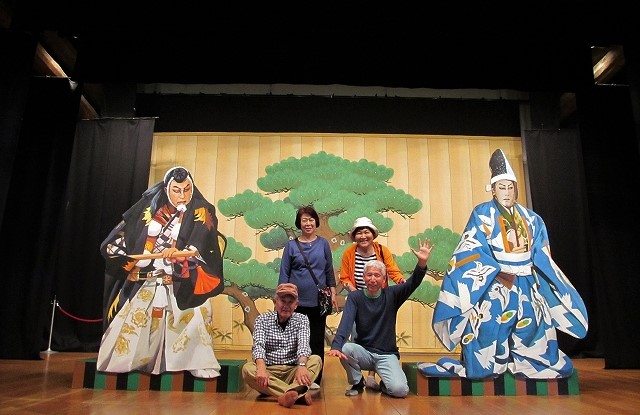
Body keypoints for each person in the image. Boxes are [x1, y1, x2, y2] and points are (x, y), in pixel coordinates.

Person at [418, 149, 588, 380]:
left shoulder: (532, 219)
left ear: (516, 189)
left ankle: (532, 363)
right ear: (493, 189)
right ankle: (485, 365)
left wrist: (534, 270)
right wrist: (498, 271)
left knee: (533, 325)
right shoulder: (482, 214)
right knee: (487, 325)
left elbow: (542, 253)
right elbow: (471, 248)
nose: (506, 192)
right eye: (501, 187)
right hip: (494, 281)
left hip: (527, 282)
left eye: (510, 187)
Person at [97, 166, 227, 378]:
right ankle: (134, 363)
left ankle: (194, 364)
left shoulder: (201, 210)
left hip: (184, 283)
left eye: (187, 189)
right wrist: (130, 259)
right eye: (177, 190)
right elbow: (118, 239)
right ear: (167, 189)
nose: (182, 195)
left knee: (193, 322)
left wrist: (184, 253)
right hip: (148, 280)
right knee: (135, 329)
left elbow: (205, 242)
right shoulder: (148, 210)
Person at [327, 238, 434, 398]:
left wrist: (422, 263)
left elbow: (412, 283)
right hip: (363, 352)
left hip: (386, 354)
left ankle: (386, 383)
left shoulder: (392, 295)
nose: (372, 279)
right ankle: (358, 382)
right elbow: (346, 323)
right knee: (345, 348)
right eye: (369, 275)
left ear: (384, 279)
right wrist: (336, 346)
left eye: (377, 275)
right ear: (364, 277)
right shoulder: (355, 297)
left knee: (400, 391)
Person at [339, 216, 406, 390]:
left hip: (379, 301)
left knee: (379, 336)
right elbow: (344, 277)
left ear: (373, 234)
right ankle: (357, 380)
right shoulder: (349, 253)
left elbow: (392, 270)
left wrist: (401, 282)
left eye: (366, 232)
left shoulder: (382, 250)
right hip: (358, 300)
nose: (363, 236)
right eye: (359, 233)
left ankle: (372, 376)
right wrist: (355, 293)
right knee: (356, 337)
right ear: (354, 236)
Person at [279, 206, 337, 389]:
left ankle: (314, 378)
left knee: (316, 340)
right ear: (299, 223)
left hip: (318, 301)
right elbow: (284, 272)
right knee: (294, 339)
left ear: (316, 222)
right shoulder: (291, 245)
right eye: (304, 220)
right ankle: (293, 376)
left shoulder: (323, 244)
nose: (308, 223)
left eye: (311, 219)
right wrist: (282, 298)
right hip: (295, 301)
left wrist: (333, 292)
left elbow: (328, 270)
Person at [242, 283, 322, 408]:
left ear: (296, 305)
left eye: (290, 302)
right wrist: (261, 368)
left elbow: (303, 345)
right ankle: (297, 394)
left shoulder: (302, 319)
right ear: (275, 302)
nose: (286, 305)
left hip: (293, 372)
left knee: (316, 360)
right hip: (269, 372)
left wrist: (301, 366)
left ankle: (287, 393)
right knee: (247, 369)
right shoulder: (262, 320)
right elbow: (258, 346)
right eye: (283, 301)